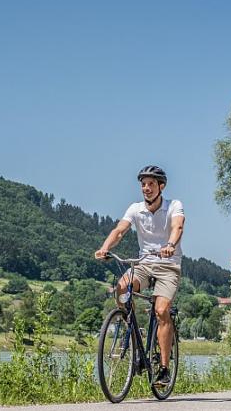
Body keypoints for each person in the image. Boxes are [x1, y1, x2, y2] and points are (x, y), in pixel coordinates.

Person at [95, 165, 185, 387]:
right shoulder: (135, 209)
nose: (146, 188)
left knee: (161, 310)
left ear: (161, 186)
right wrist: (105, 247)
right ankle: (131, 329)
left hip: (168, 264)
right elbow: (120, 230)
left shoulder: (174, 205)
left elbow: (178, 227)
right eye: (143, 184)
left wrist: (171, 245)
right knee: (122, 287)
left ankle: (164, 368)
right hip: (143, 263)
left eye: (151, 184)